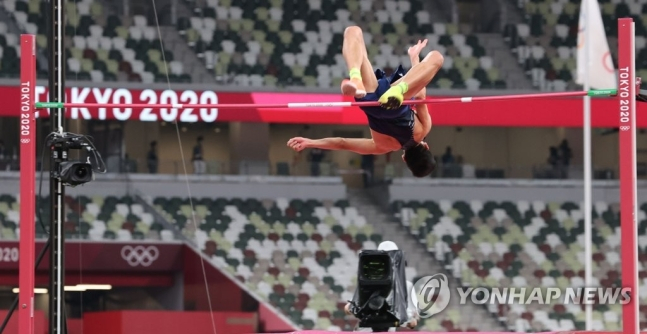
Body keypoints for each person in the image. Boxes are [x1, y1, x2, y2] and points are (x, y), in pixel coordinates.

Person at [287, 26, 444, 178]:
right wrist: (309, 142)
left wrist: (415, 59)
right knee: (356, 39)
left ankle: (362, 79)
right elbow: (342, 143)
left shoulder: (423, 130)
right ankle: (357, 81)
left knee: (436, 57)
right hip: (371, 103)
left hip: (395, 100)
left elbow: (420, 93)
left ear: (427, 147)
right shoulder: (382, 147)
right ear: (404, 159)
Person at [344, 241, 419, 332]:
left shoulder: (407, 286)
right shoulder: (367, 282)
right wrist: (351, 307)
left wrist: (411, 320)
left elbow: (412, 317)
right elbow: (349, 308)